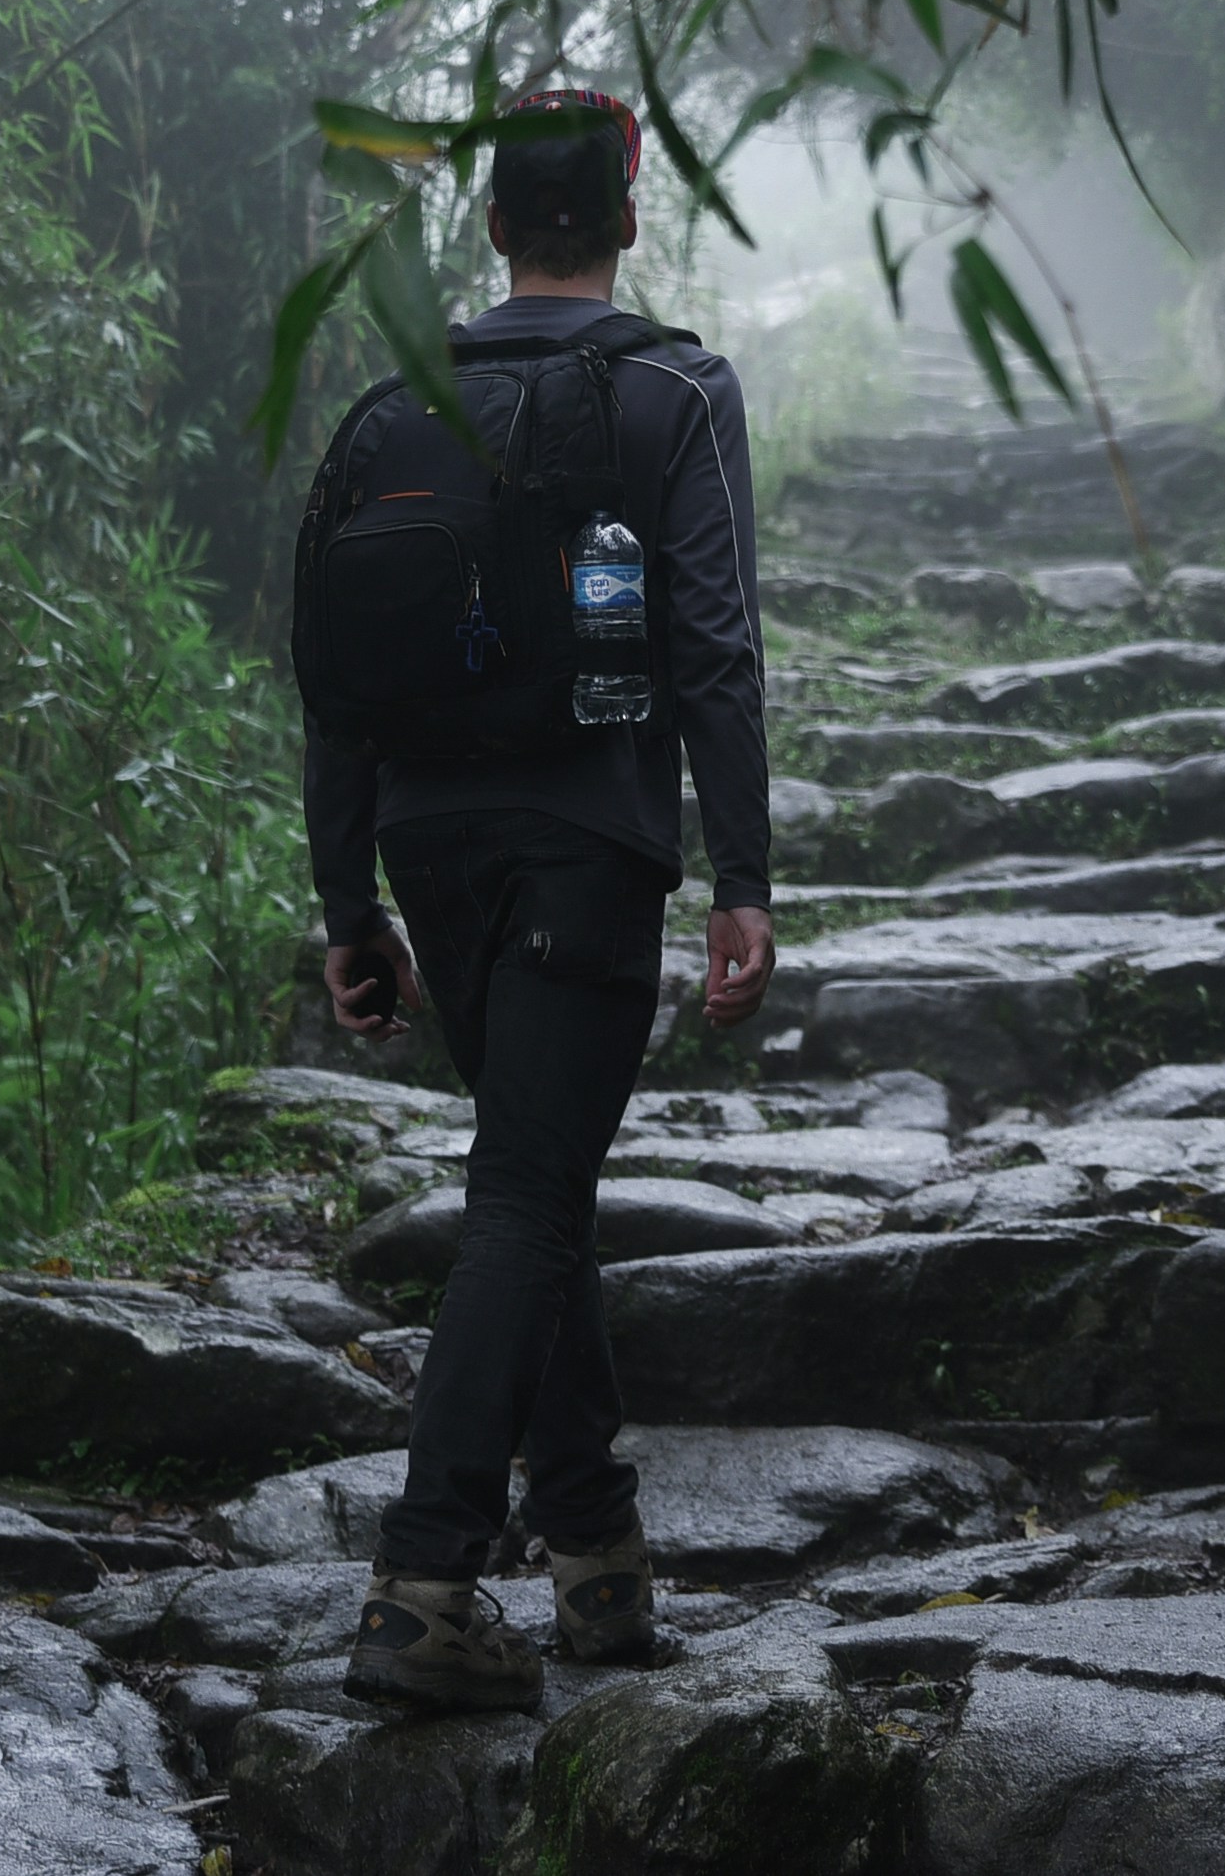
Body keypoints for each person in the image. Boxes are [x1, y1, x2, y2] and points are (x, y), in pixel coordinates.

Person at [301, 87, 774, 1715]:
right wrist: (743, 878)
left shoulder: (390, 408)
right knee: (521, 1194)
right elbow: (711, 644)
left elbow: (332, 679)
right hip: (589, 850)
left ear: (494, 229)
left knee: (537, 1176)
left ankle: (595, 1566)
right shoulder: (674, 390)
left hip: (433, 858)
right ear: (626, 228)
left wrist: (345, 902)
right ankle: (423, 1586)